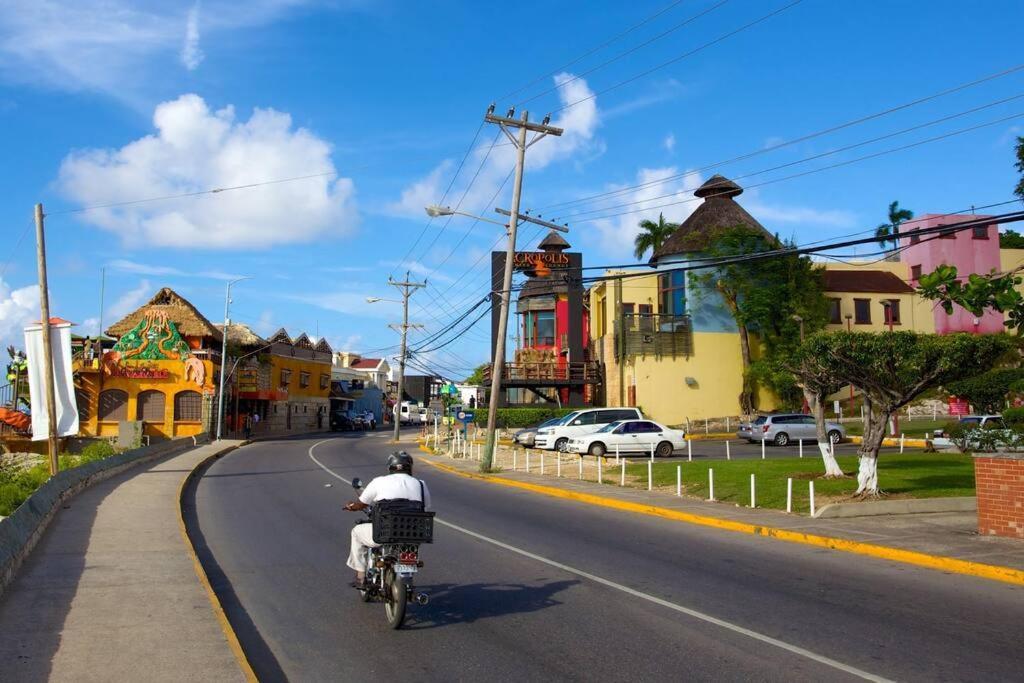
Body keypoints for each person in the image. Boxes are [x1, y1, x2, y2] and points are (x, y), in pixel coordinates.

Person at [343, 452, 431, 588]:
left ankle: (360, 576)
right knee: (409, 549)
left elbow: (362, 504)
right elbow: (425, 507)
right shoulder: (420, 484)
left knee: (356, 532)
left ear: (390, 467)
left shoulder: (379, 481)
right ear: (410, 468)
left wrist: (352, 506)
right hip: (413, 534)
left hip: (384, 533)